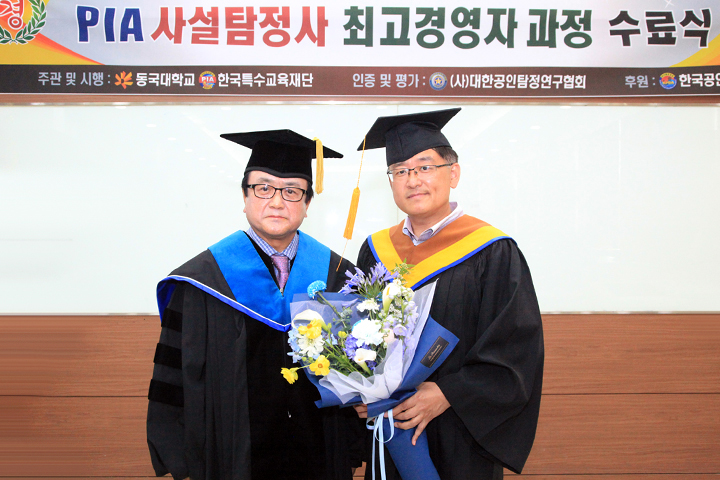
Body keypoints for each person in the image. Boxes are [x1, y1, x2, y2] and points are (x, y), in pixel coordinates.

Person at [147, 130, 363, 480]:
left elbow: (358, 374)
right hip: (232, 457)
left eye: (292, 191)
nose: (277, 202)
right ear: (245, 197)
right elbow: (176, 378)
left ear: (308, 204)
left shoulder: (339, 277)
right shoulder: (202, 283)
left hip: (321, 454)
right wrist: (180, 452)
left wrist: (354, 442)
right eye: (263, 188)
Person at [353, 108, 544, 479]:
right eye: (400, 171)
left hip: (461, 431)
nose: (413, 180)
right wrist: (360, 389)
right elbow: (355, 331)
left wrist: (448, 394)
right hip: (390, 426)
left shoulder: (492, 250)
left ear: (453, 173)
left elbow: (515, 349)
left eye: (425, 167)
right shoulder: (375, 251)